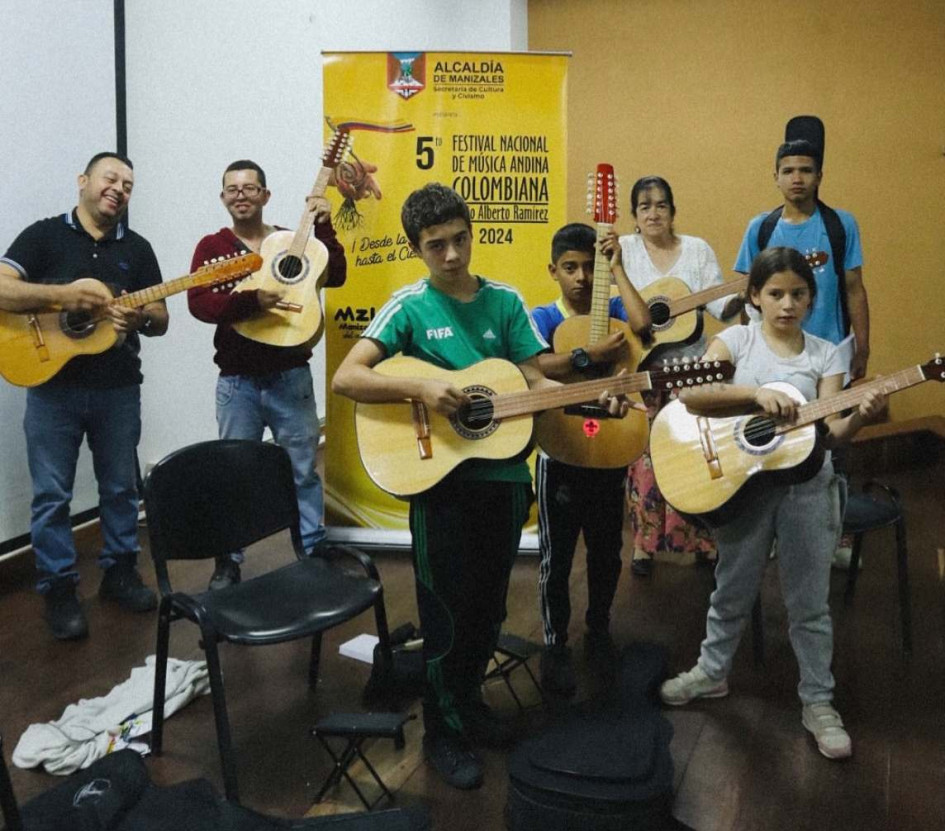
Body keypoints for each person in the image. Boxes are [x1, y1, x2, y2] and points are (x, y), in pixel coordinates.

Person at [333, 183, 627, 791]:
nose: (451, 255)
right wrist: (421, 390)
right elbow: (347, 376)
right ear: (418, 248)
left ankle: (467, 705)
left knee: (488, 606)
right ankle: (441, 730)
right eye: (436, 245)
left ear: (472, 234)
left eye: (460, 240)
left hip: (501, 479)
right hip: (438, 485)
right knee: (444, 612)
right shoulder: (409, 306)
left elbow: (528, 381)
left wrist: (590, 397)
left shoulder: (504, 302)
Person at [659, 247, 886, 761]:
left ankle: (818, 701)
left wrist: (861, 418)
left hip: (808, 490)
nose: (787, 304)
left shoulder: (827, 354)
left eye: (798, 294)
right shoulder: (736, 339)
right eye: (776, 293)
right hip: (745, 485)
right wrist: (757, 397)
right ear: (755, 297)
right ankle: (712, 673)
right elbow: (694, 396)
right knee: (731, 589)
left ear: (812, 298)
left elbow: (832, 434)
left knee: (809, 603)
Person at [0, 152, 167, 640]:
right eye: (110, 178)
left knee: (120, 488)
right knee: (52, 496)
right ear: (83, 182)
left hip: (118, 389)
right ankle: (58, 588)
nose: (119, 188)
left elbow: (160, 315)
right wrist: (63, 297)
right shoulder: (43, 235)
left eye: (129, 185)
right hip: (53, 391)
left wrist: (139, 318)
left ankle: (119, 572)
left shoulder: (137, 250)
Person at [188, 159, 345, 589]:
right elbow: (199, 302)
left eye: (250, 188)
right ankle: (229, 560)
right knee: (234, 472)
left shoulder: (287, 243)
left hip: (290, 375)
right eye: (232, 189)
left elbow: (338, 274)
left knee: (302, 469)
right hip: (236, 381)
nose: (241, 195)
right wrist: (255, 299)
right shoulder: (213, 247)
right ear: (223, 198)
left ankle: (312, 548)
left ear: (265, 195)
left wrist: (325, 227)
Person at [531, 223, 651, 696]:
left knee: (606, 553)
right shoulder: (542, 316)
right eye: (570, 267)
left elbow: (645, 326)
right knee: (555, 558)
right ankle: (555, 643)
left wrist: (616, 266)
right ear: (553, 271)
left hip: (611, 446)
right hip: (560, 450)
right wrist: (588, 356)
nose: (580, 277)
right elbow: (536, 365)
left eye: (588, 267)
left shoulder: (616, 309)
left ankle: (598, 631)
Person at [618, 176, 736, 576]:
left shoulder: (697, 250)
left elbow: (721, 307)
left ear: (673, 211)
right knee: (645, 459)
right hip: (643, 370)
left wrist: (748, 290)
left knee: (697, 454)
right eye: (645, 206)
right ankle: (644, 546)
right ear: (634, 215)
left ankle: (703, 543)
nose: (654, 213)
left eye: (662, 205)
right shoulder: (624, 251)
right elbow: (617, 312)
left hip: (693, 371)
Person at [733, 139, 869, 380]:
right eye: (788, 171)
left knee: (832, 417)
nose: (797, 178)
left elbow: (854, 290)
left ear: (819, 177)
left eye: (805, 170)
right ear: (776, 177)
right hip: (773, 360)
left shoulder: (841, 224)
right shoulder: (760, 228)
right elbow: (748, 299)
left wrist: (863, 348)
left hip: (831, 354)